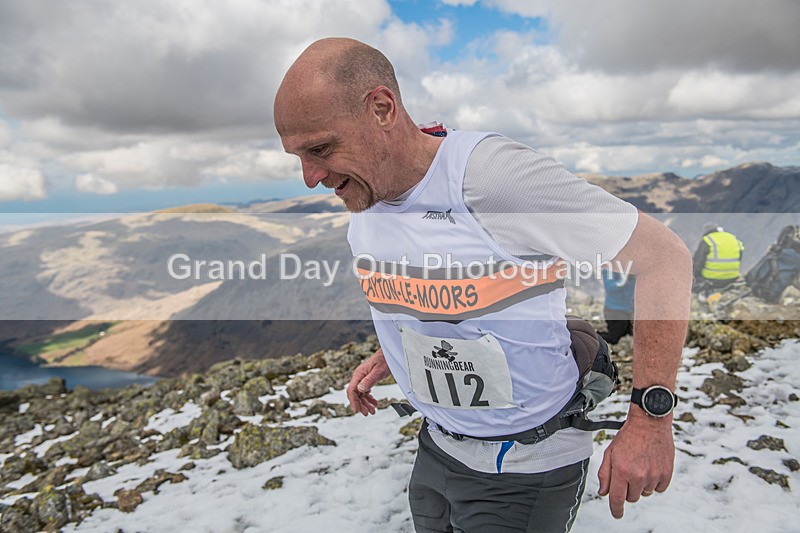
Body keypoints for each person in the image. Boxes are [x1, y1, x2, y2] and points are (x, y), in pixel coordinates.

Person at [274, 38, 692, 532]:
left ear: (382, 108)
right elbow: (442, 288)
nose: (310, 177)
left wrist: (649, 420)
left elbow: (664, 259)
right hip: (437, 448)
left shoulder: (494, 179)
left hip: (527, 465)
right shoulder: (366, 192)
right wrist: (402, 348)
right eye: (298, 156)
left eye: (320, 149)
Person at [692, 222, 744, 292]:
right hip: (732, 278)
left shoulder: (707, 240)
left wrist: (693, 276)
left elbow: (698, 263)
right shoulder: (732, 238)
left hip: (712, 280)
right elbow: (739, 256)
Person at [600, 270, 635, 344]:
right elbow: (609, 287)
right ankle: (592, 337)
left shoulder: (630, 266)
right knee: (614, 338)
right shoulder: (610, 267)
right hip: (615, 310)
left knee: (630, 334)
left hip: (629, 310)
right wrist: (625, 279)